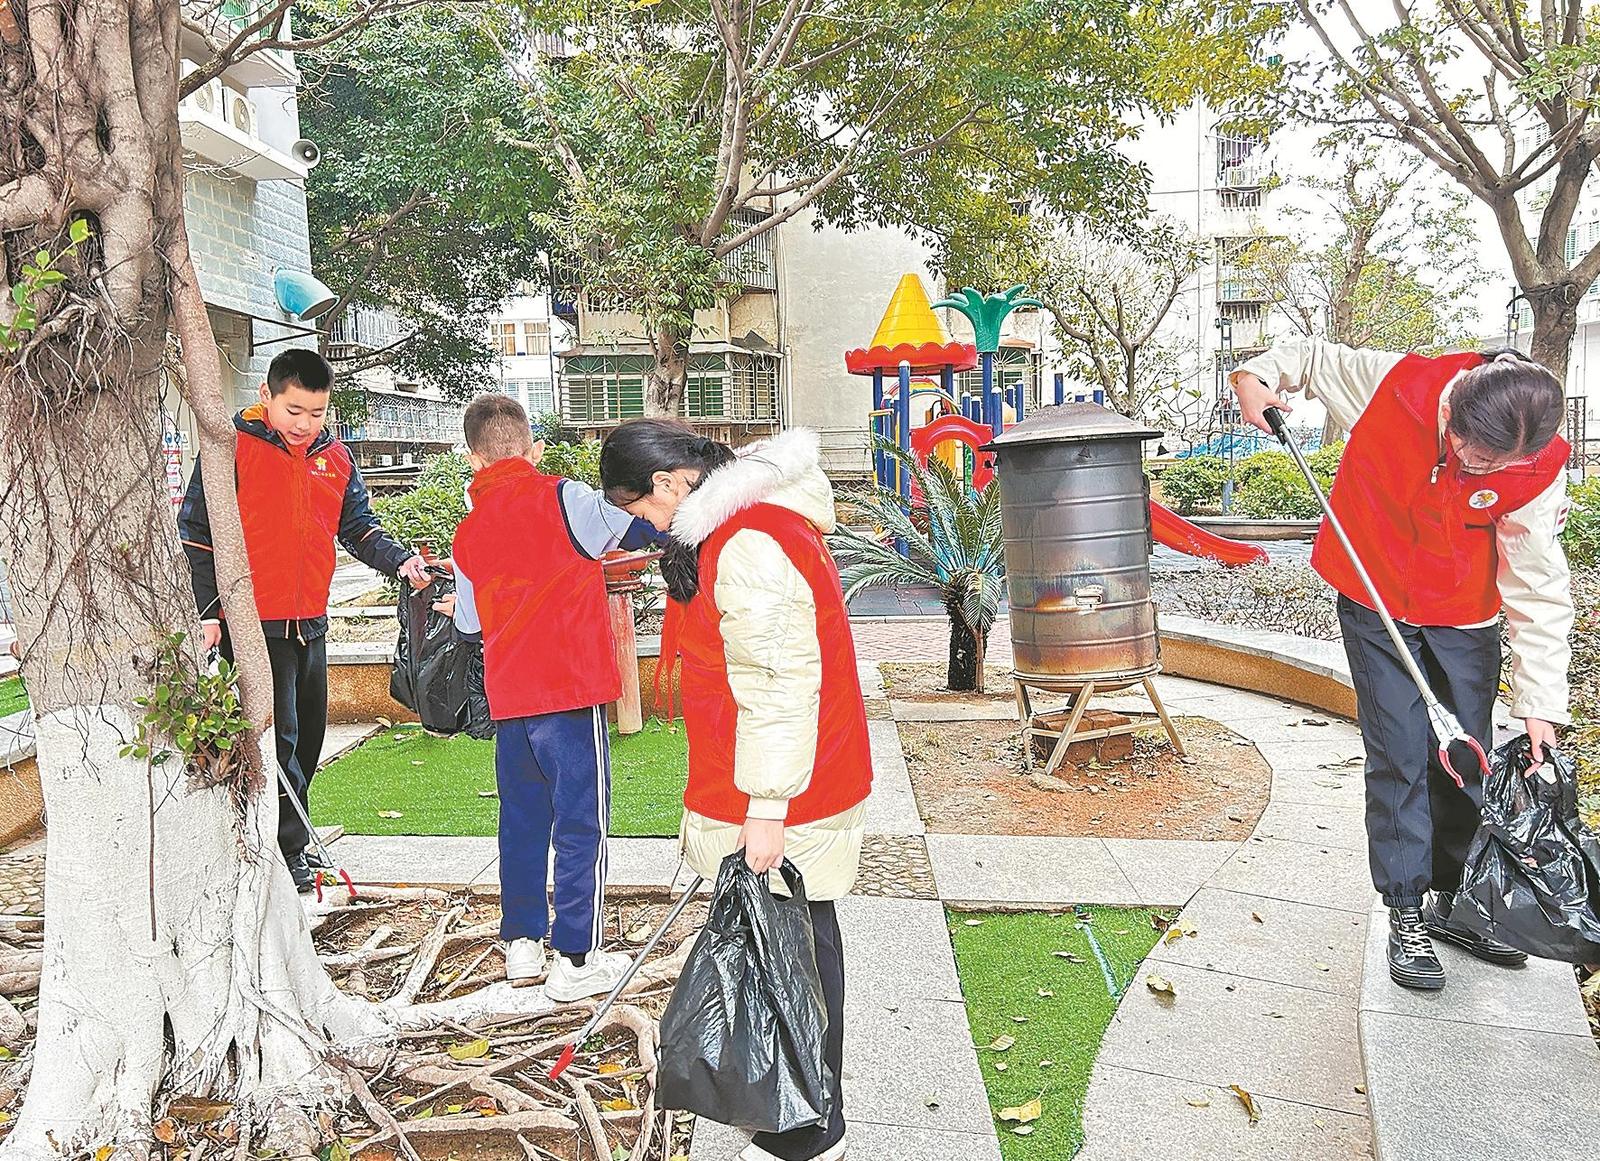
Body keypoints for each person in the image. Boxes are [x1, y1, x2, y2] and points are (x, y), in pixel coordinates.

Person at [1230, 340, 1573, 991]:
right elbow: (1302, 356)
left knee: (1464, 758)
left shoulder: (1537, 468)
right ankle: (1407, 908)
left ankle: (1453, 900)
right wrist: (1255, 377)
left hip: (1463, 611)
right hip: (1375, 592)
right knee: (1398, 753)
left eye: (1493, 463)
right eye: (1468, 449)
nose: (1474, 467)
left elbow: (1537, 583)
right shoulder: (1399, 383)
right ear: (1457, 410)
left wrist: (1540, 703)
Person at [600, 420, 872, 1161]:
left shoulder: (747, 540)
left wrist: (766, 807)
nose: (646, 527)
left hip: (785, 784)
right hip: (782, 775)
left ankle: (812, 1131)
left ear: (665, 485)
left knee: (798, 959)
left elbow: (781, 686)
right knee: (790, 951)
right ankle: (801, 1116)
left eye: (641, 510)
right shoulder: (747, 524)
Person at [179, 348, 429, 892]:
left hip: (310, 623)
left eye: (316, 413)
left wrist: (402, 560)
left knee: (309, 738)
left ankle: (288, 837)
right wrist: (208, 612)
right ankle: (286, 853)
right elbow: (197, 534)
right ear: (266, 397)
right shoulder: (231, 448)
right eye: (294, 410)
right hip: (252, 626)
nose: (305, 424)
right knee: (279, 739)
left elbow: (359, 528)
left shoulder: (335, 458)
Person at [448, 394, 660, 999]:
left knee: (519, 821)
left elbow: (468, 625)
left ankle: (521, 945)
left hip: (511, 698)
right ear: (533, 448)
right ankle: (575, 956)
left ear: (472, 459)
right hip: (570, 691)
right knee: (580, 823)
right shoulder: (567, 496)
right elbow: (636, 528)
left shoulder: (467, 531)